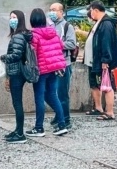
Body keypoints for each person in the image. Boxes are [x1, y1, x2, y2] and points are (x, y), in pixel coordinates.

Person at [25, 8, 68, 137]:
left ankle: (39, 128)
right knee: (53, 95)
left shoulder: (34, 35)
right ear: (44, 19)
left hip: (41, 70)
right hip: (54, 68)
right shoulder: (53, 32)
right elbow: (60, 46)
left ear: (32, 20)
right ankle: (62, 125)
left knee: (39, 98)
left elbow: (32, 54)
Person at [85, 0, 117, 121]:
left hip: (102, 61)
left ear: (95, 10)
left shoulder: (106, 24)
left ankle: (110, 112)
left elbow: (106, 43)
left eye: (91, 11)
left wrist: (105, 60)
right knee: (95, 84)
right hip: (93, 60)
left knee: (107, 85)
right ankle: (98, 108)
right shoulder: (99, 23)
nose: (90, 14)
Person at [0, 10, 30, 144]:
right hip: (18, 72)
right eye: (10, 17)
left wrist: (3, 57)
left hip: (17, 73)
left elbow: (16, 55)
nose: (12, 19)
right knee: (17, 103)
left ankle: (20, 134)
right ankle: (18, 130)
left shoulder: (18, 36)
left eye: (14, 17)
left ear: (20, 19)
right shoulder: (22, 35)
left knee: (17, 103)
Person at [49, 2, 76, 128]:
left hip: (63, 64)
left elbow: (71, 44)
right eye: (50, 10)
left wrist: (57, 44)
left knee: (62, 93)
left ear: (62, 12)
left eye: (54, 10)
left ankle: (66, 119)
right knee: (53, 93)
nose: (52, 12)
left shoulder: (67, 26)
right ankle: (58, 116)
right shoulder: (50, 26)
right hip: (52, 65)